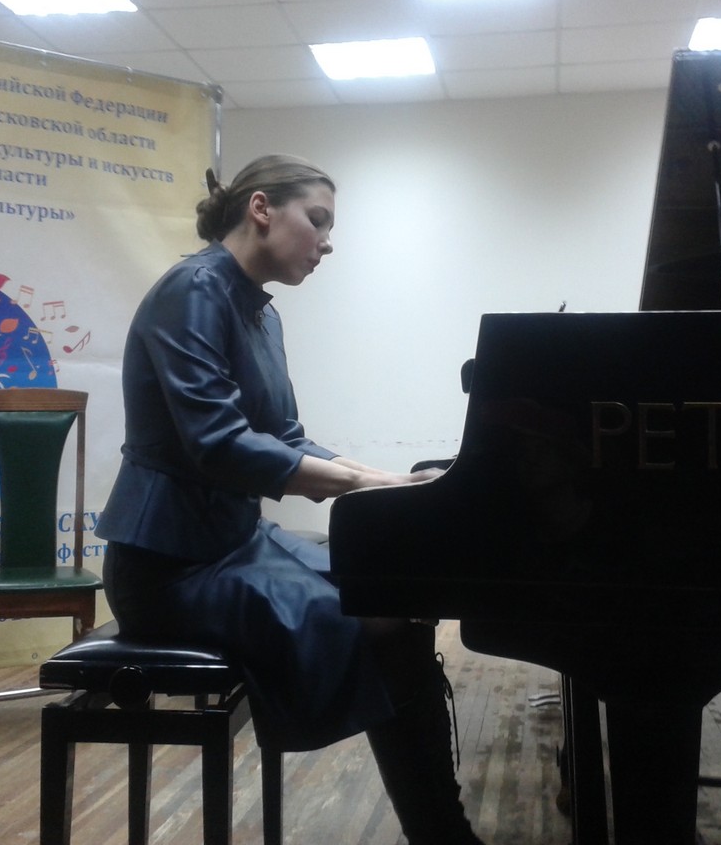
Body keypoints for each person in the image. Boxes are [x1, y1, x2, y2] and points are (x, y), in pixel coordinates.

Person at [95, 154, 485, 844]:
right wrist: (369, 487)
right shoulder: (193, 290)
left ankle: (439, 829)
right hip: (169, 569)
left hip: (234, 545)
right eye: (319, 220)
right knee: (387, 621)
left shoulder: (260, 312)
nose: (327, 242)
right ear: (261, 209)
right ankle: (442, 835)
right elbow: (220, 445)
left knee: (400, 593)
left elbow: (285, 439)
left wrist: (393, 483)